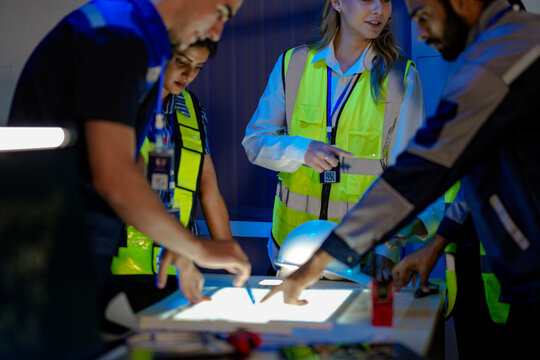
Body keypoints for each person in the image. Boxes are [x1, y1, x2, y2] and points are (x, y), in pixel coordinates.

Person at [262, 0, 539, 356]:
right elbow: (476, 171)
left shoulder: (499, 59)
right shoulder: (512, 44)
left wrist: (313, 266)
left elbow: (418, 171)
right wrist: (437, 243)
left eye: (424, 16)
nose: (421, 33)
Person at [8, 0, 250, 328]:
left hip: (75, 254)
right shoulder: (117, 38)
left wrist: (173, 240)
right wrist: (199, 249)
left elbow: (134, 169)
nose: (217, 32)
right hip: (53, 257)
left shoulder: (132, 40)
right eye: (221, 12)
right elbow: (115, 178)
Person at [242, 0, 443, 278]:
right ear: (336, 2)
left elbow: (411, 175)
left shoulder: (401, 77)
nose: (378, 10)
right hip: (290, 256)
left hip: (364, 262)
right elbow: (255, 142)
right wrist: (301, 149)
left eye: (385, 0)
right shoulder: (293, 64)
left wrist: (385, 250)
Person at [111, 39, 237, 308]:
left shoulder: (192, 107)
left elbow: (209, 188)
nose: (189, 75)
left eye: (198, 68)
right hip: (118, 270)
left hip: (179, 268)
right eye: (182, 62)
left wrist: (227, 254)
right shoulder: (121, 103)